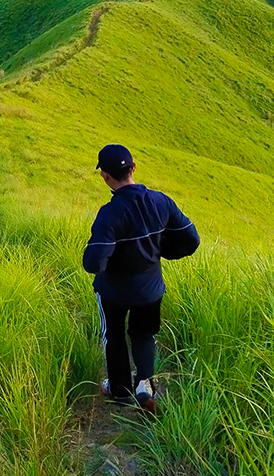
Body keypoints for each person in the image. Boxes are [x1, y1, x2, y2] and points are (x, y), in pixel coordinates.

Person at [82, 143, 200, 412]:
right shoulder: (161, 201)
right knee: (144, 334)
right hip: (150, 289)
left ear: (104, 176)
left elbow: (94, 262)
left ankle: (120, 389)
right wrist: (163, 251)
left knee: (113, 336)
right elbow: (191, 240)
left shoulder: (109, 214)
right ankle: (144, 384)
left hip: (114, 291)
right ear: (134, 167)